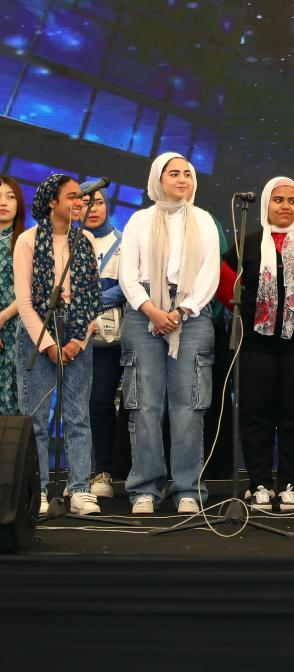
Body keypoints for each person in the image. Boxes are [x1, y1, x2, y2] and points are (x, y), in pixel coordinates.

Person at [217, 176, 294, 512]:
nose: (285, 206)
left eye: (292, 200)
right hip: (256, 344)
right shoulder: (245, 245)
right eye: (278, 199)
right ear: (265, 205)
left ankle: (292, 485)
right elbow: (226, 290)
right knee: (255, 413)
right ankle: (259, 484)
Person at [119, 152, 220, 515]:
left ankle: (188, 488)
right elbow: (127, 275)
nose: (182, 180)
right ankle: (144, 488)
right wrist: (152, 311)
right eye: (173, 174)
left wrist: (179, 312)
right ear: (157, 180)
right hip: (143, 313)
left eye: (187, 174)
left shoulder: (204, 220)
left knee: (189, 405)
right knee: (144, 404)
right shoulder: (139, 220)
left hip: (190, 315)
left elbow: (210, 274)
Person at [13, 174, 102, 515]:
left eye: (81, 197)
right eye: (72, 197)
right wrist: (49, 344)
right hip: (38, 333)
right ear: (53, 201)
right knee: (36, 418)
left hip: (78, 332)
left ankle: (80, 488)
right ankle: (37, 491)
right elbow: (25, 303)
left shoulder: (86, 240)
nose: (80, 202)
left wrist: (79, 339)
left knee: (78, 415)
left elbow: (93, 299)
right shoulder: (28, 241)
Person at [79, 180, 124, 498]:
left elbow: (130, 285)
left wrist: (92, 300)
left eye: (98, 202)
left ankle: (103, 472)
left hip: (109, 342)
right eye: (85, 203)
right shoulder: (66, 242)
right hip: (71, 338)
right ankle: (78, 474)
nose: (92, 209)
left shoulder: (123, 242)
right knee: (75, 408)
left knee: (100, 403)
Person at [0, 176, 26, 417]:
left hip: (16, 328)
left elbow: (29, 290)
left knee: (12, 402)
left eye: (10, 197)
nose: (3, 202)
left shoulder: (25, 242)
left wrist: (2, 318)